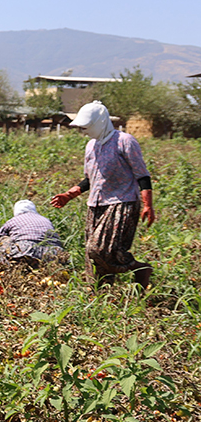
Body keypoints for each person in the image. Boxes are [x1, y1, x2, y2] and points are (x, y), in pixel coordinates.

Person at [49, 100, 155, 288]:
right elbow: (90, 179)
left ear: (100, 122)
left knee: (99, 249)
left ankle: (140, 269)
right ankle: (100, 295)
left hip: (122, 202)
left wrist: (148, 205)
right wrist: (69, 195)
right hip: (96, 204)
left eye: (87, 127)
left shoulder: (125, 141)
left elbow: (142, 175)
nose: (84, 131)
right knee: (92, 256)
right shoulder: (91, 146)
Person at [0, 200, 67, 266]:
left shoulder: (14, 220)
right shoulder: (46, 220)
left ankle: (6, 264)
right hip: (54, 254)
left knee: (3, 239)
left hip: (26, 251)